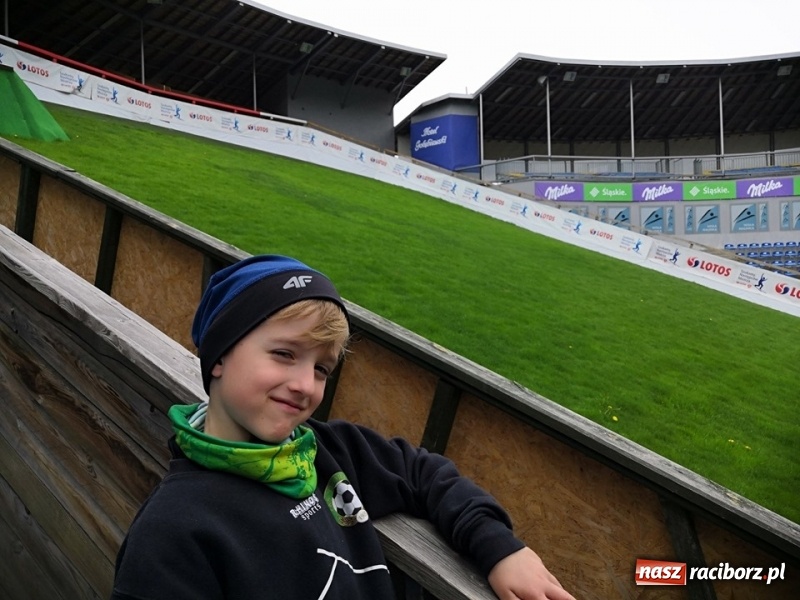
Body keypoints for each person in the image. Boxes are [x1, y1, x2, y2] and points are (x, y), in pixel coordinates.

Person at [111, 254, 574, 600]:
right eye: (285, 354)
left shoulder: (329, 451)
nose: (304, 385)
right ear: (220, 356)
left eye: (321, 369)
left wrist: (501, 549)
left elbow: (425, 473)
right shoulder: (172, 534)